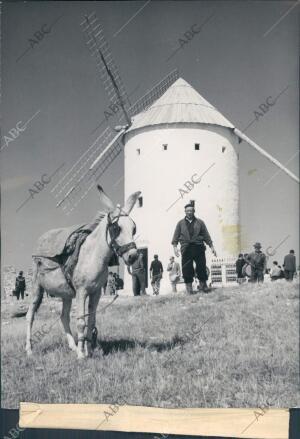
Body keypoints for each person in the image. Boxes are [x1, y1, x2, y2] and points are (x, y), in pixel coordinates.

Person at [172, 203, 216, 294]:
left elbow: (206, 235)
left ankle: (203, 286)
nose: (189, 212)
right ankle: (189, 289)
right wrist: (175, 247)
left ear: (194, 211)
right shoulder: (180, 223)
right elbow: (175, 237)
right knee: (187, 268)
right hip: (186, 248)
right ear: (185, 212)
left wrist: (211, 246)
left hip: (198, 247)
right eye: (187, 211)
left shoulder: (200, 222)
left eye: (191, 211)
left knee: (201, 266)